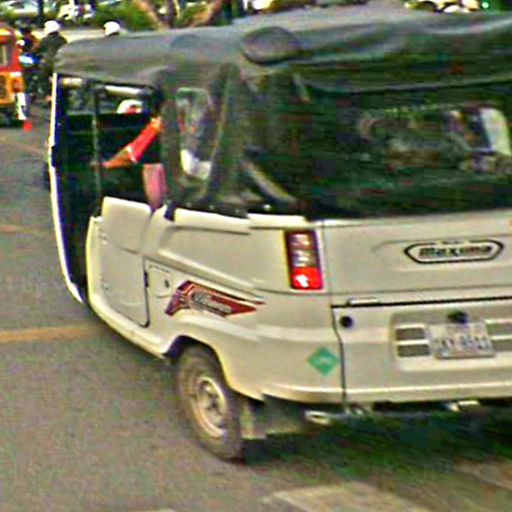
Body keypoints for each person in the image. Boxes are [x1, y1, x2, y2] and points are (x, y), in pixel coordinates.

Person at [35, 20, 68, 104]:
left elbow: (35, 49)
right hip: (62, 64)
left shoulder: (45, 40)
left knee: (42, 76)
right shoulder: (62, 40)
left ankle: (48, 95)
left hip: (48, 65)